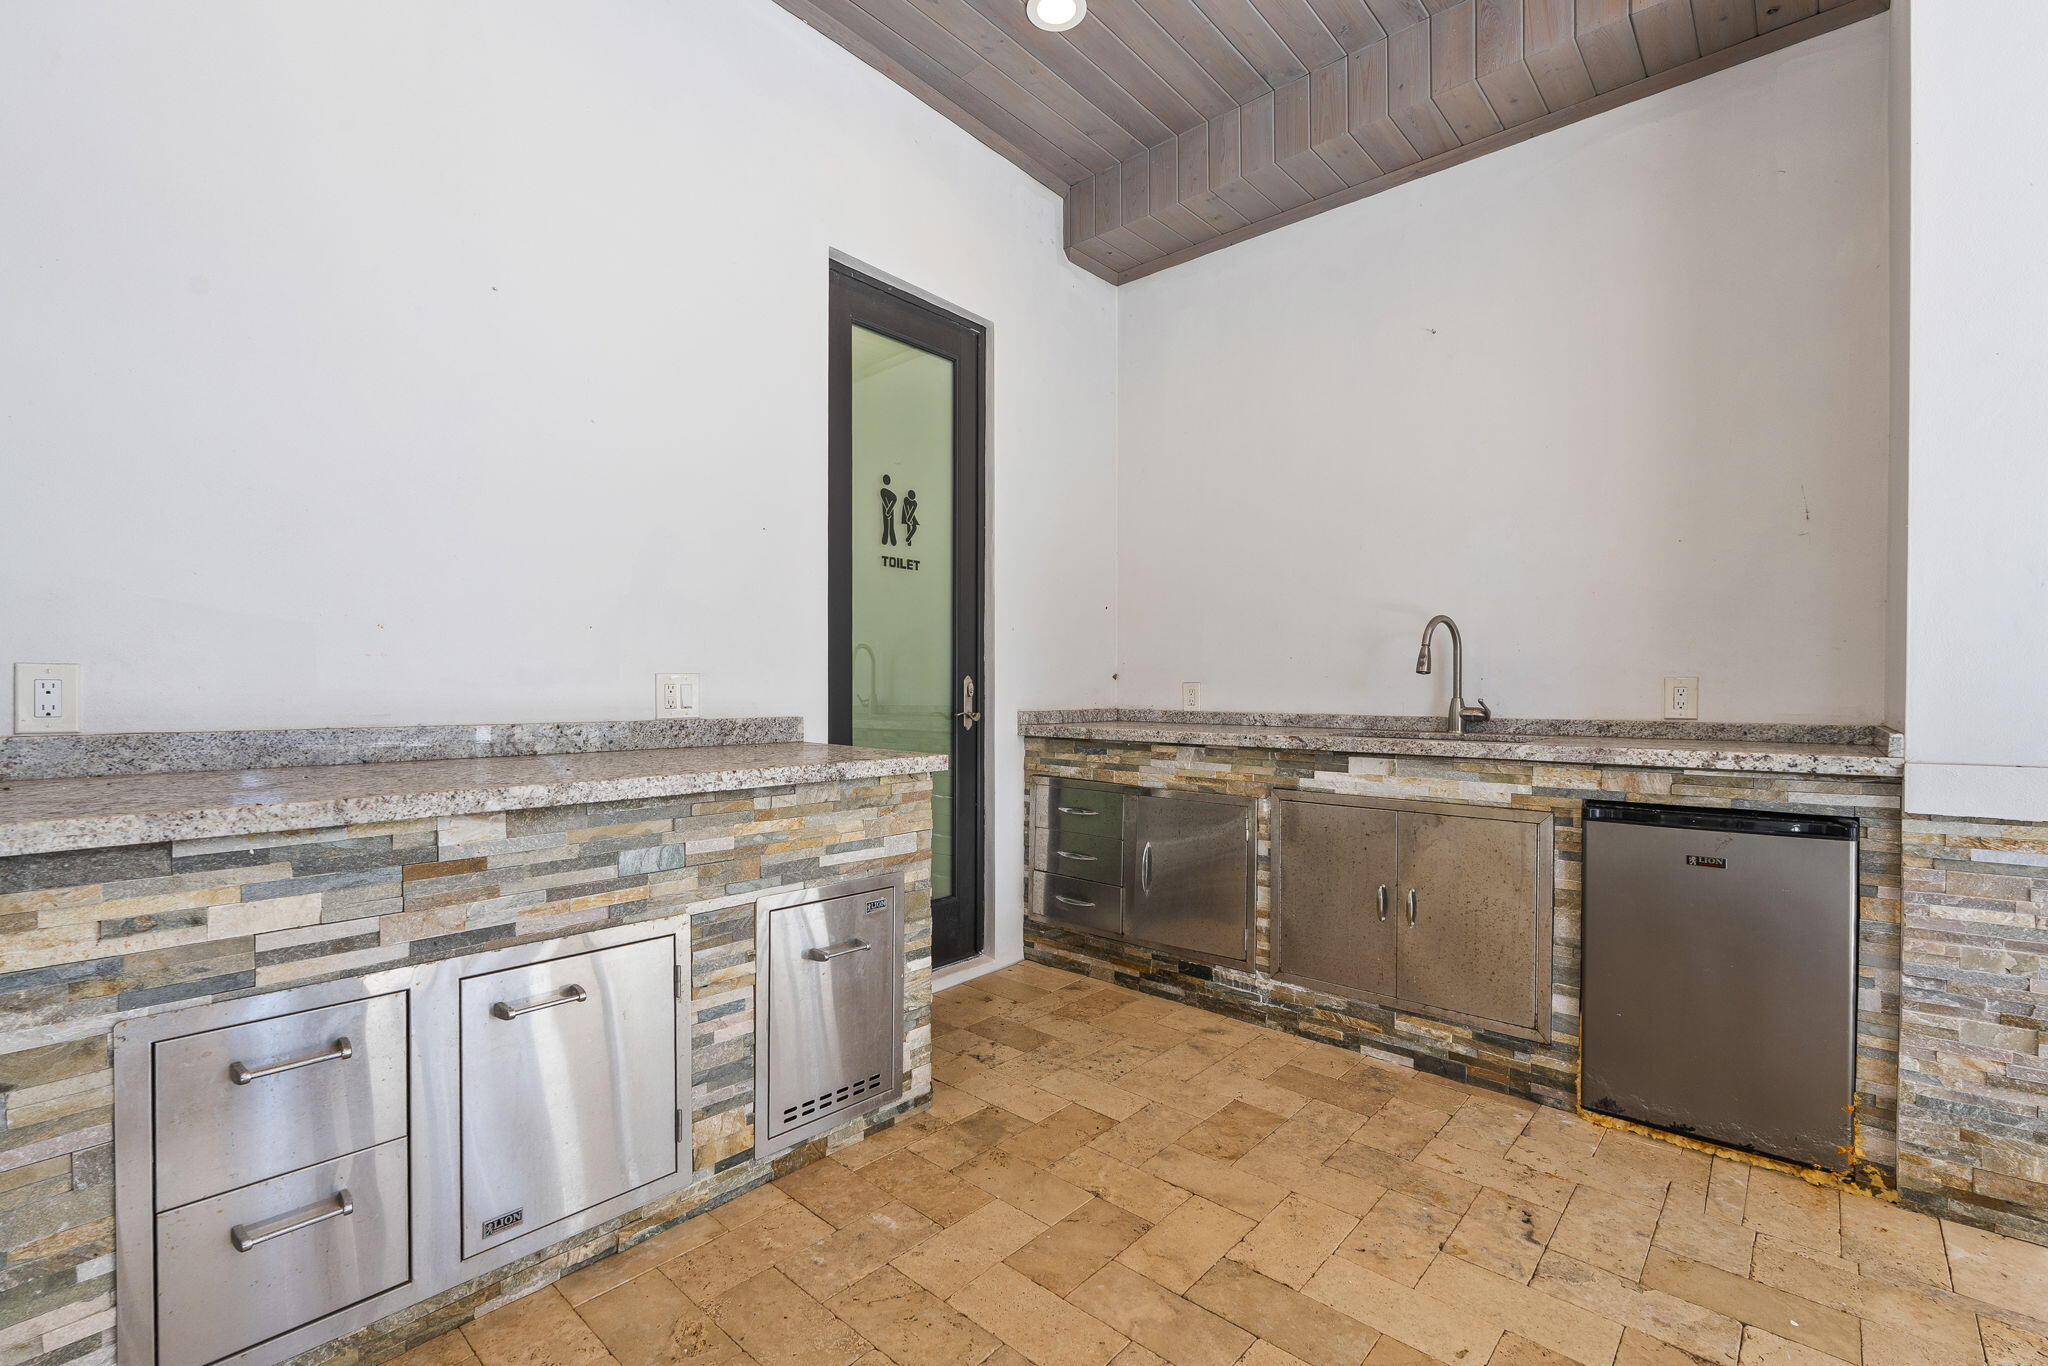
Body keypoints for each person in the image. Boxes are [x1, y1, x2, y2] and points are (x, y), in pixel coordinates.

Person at [879, 475, 897, 546]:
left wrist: (888, 511)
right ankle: (887, 540)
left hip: (888, 509)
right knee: (887, 526)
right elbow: (893, 499)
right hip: (888, 509)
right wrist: (888, 511)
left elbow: (894, 499)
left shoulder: (884, 491)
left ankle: (890, 540)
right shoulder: (883, 490)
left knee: (889, 526)